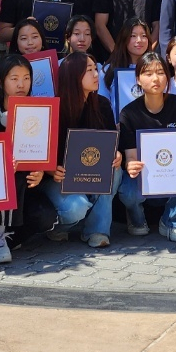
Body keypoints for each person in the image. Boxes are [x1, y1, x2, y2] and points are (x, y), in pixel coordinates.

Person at [0, 56, 55, 261]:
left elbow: (44, 155)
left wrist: (41, 172)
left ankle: (7, 239)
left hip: (26, 190)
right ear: (1, 82)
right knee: (9, 168)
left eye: (26, 78)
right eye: (14, 78)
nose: (21, 84)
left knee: (46, 216)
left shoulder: (39, 113)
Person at [41, 52, 122, 248]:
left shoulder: (101, 104)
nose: (96, 75)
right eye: (89, 70)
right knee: (75, 208)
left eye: (96, 69)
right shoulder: (53, 109)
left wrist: (117, 154)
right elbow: (39, 152)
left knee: (114, 169)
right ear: (73, 75)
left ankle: (97, 231)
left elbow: (111, 142)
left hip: (91, 173)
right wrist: (50, 169)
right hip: (57, 178)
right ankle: (58, 228)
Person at [118, 52, 176, 241]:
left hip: (170, 176)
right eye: (148, 73)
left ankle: (171, 222)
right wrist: (131, 165)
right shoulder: (129, 114)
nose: (155, 78)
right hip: (144, 178)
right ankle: (137, 220)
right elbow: (131, 156)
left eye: (161, 72)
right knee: (128, 190)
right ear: (138, 79)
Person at [104, 18, 152, 112]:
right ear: (124, 39)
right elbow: (103, 103)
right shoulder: (108, 70)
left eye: (144, 36)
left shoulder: (156, 69)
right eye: (133, 36)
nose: (139, 40)